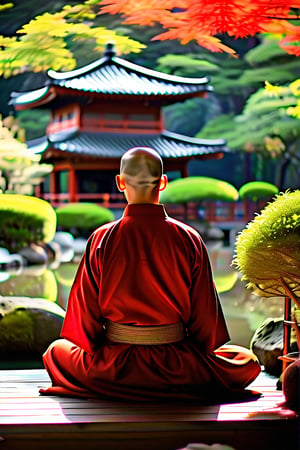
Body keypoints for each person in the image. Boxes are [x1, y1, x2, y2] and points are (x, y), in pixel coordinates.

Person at [40, 147, 261, 402]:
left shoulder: (101, 238)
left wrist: (105, 354)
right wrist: (193, 357)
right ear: (164, 182)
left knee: (56, 352)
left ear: (120, 183)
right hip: (177, 367)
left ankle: (116, 385)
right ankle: (172, 384)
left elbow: (84, 322)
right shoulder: (189, 238)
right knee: (246, 361)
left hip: (113, 368)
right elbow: (205, 323)